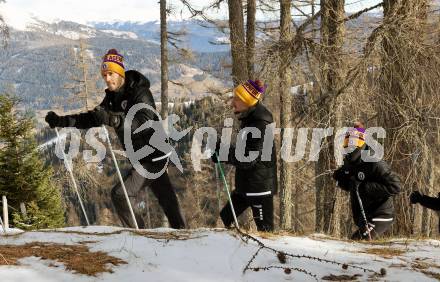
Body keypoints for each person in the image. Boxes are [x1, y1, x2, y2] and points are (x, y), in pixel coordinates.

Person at [45, 49, 185, 229]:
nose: (107, 79)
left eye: (110, 73)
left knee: (121, 195)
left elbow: (145, 121)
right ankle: (184, 235)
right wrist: (60, 120)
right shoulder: (111, 98)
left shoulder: (140, 92)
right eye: (104, 75)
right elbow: (91, 118)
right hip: (140, 157)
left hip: (154, 155)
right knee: (168, 201)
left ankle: (140, 235)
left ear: (119, 72)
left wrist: (115, 119)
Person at [212, 79, 277, 232]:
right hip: (246, 186)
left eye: (237, 99)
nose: (232, 102)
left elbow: (248, 159)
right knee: (223, 220)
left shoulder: (260, 124)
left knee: (266, 233)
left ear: (247, 101)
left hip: (259, 188)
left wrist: (225, 153)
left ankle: (273, 256)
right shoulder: (249, 119)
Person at [333, 122, 401, 240]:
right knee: (359, 246)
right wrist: (341, 179)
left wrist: (367, 187)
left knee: (357, 242)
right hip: (363, 216)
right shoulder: (350, 163)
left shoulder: (375, 162)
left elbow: (395, 186)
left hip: (381, 215)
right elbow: (352, 186)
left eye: (352, 145)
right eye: (346, 144)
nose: (348, 149)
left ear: (360, 144)